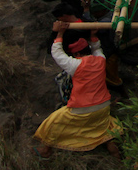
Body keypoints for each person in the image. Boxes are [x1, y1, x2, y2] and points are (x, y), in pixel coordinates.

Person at [34, 18, 123, 159]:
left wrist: (59, 33)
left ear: (76, 55)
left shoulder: (75, 65)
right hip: (103, 106)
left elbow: (56, 53)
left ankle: (46, 150)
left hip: (82, 108)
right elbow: (97, 49)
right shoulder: (101, 60)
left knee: (54, 122)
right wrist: (94, 36)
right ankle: (114, 151)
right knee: (102, 126)